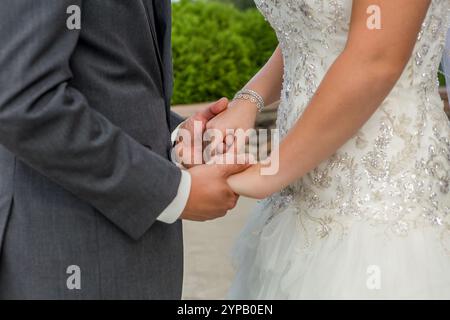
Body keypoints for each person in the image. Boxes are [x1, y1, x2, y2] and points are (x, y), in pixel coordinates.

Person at [0, 0, 248, 299]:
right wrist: (172, 192)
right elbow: (25, 101)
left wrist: (177, 134)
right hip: (69, 251)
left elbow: (104, 75)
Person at [207, 0, 450, 299]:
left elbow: (377, 58)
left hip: (379, 197)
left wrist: (268, 174)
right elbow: (317, 27)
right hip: (297, 197)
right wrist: (249, 100)